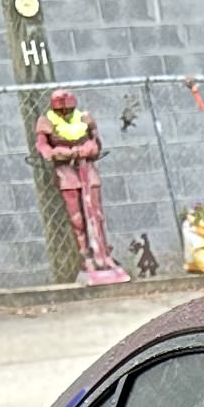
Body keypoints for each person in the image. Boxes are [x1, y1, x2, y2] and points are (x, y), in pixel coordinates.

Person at [33, 89, 123, 282]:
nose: (65, 112)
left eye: (68, 108)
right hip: (66, 171)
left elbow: (96, 142)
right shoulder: (46, 121)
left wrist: (89, 148)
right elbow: (43, 147)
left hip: (86, 167)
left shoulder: (84, 117)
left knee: (96, 214)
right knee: (77, 218)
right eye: (61, 109)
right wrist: (59, 152)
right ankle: (86, 257)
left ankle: (103, 253)